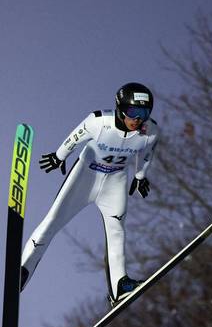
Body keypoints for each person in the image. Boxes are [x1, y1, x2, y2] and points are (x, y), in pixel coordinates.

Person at [20, 82, 161, 305]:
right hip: (85, 178)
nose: (138, 119)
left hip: (115, 182)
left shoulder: (150, 131)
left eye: (144, 113)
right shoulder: (99, 122)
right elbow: (75, 138)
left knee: (117, 231)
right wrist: (59, 156)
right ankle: (22, 270)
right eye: (134, 112)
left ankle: (119, 287)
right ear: (120, 108)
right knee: (52, 222)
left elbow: (146, 155)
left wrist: (140, 177)